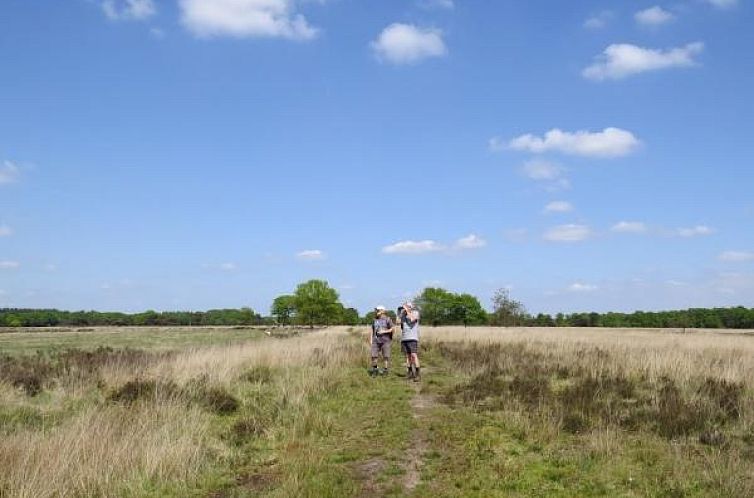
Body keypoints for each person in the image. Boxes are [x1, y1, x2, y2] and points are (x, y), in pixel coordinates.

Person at [368, 306, 394, 377]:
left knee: (385, 356)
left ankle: (385, 370)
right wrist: (371, 339)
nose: (376, 311)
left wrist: (384, 331)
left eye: (377, 310)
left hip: (385, 340)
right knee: (374, 356)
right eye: (376, 310)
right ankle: (375, 370)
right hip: (375, 340)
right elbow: (372, 330)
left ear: (382, 311)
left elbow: (392, 329)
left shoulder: (388, 319)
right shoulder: (374, 320)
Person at [399, 301, 421, 381]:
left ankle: (418, 374)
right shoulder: (403, 315)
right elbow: (400, 324)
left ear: (410, 307)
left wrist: (407, 311)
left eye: (407, 306)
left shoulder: (415, 313)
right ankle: (410, 372)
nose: (404, 308)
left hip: (412, 337)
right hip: (405, 338)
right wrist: (400, 314)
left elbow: (412, 320)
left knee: (413, 355)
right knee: (407, 356)